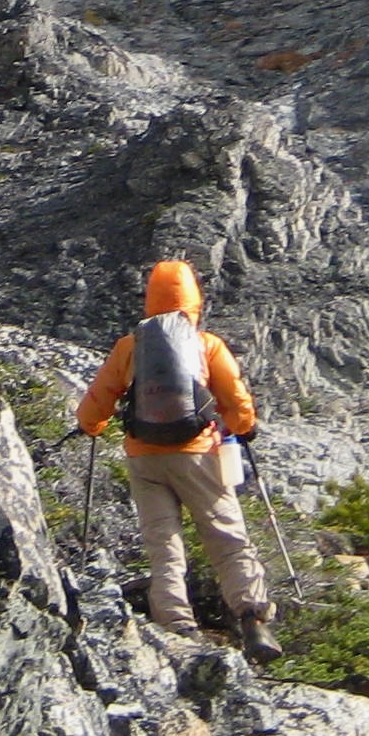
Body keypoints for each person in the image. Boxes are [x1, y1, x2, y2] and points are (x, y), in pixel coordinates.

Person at [76, 258, 279, 661]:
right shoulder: (206, 344)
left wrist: (92, 427)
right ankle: (253, 620)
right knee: (227, 539)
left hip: (145, 459)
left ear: (150, 300)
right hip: (197, 455)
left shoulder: (130, 346)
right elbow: (234, 396)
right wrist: (244, 426)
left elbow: (97, 402)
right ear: (194, 300)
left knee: (163, 545)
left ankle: (177, 628)